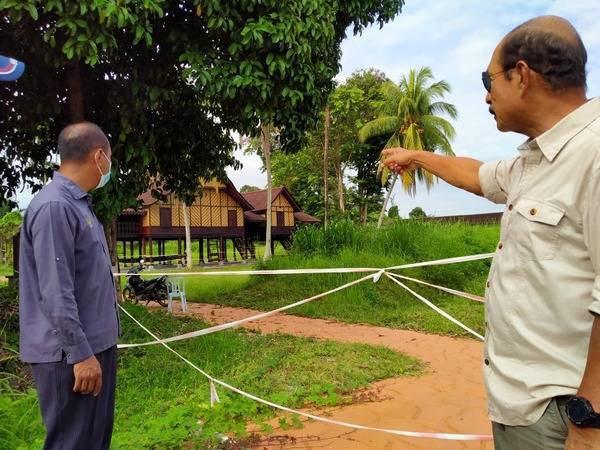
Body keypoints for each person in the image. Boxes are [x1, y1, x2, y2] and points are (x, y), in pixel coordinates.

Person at [382, 15, 599, 450]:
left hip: (564, 414)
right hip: (521, 406)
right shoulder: (533, 162)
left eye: (489, 78)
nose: (486, 94)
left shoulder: (593, 154)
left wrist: (590, 421)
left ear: (521, 75)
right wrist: (417, 155)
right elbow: (476, 176)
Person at [19, 122, 119, 450]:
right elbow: (56, 292)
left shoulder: (78, 205)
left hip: (93, 348)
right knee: (72, 443)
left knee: (93, 439)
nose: (109, 168)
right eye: (109, 160)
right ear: (99, 156)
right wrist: (81, 354)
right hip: (70, 357)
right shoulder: (54, 207)